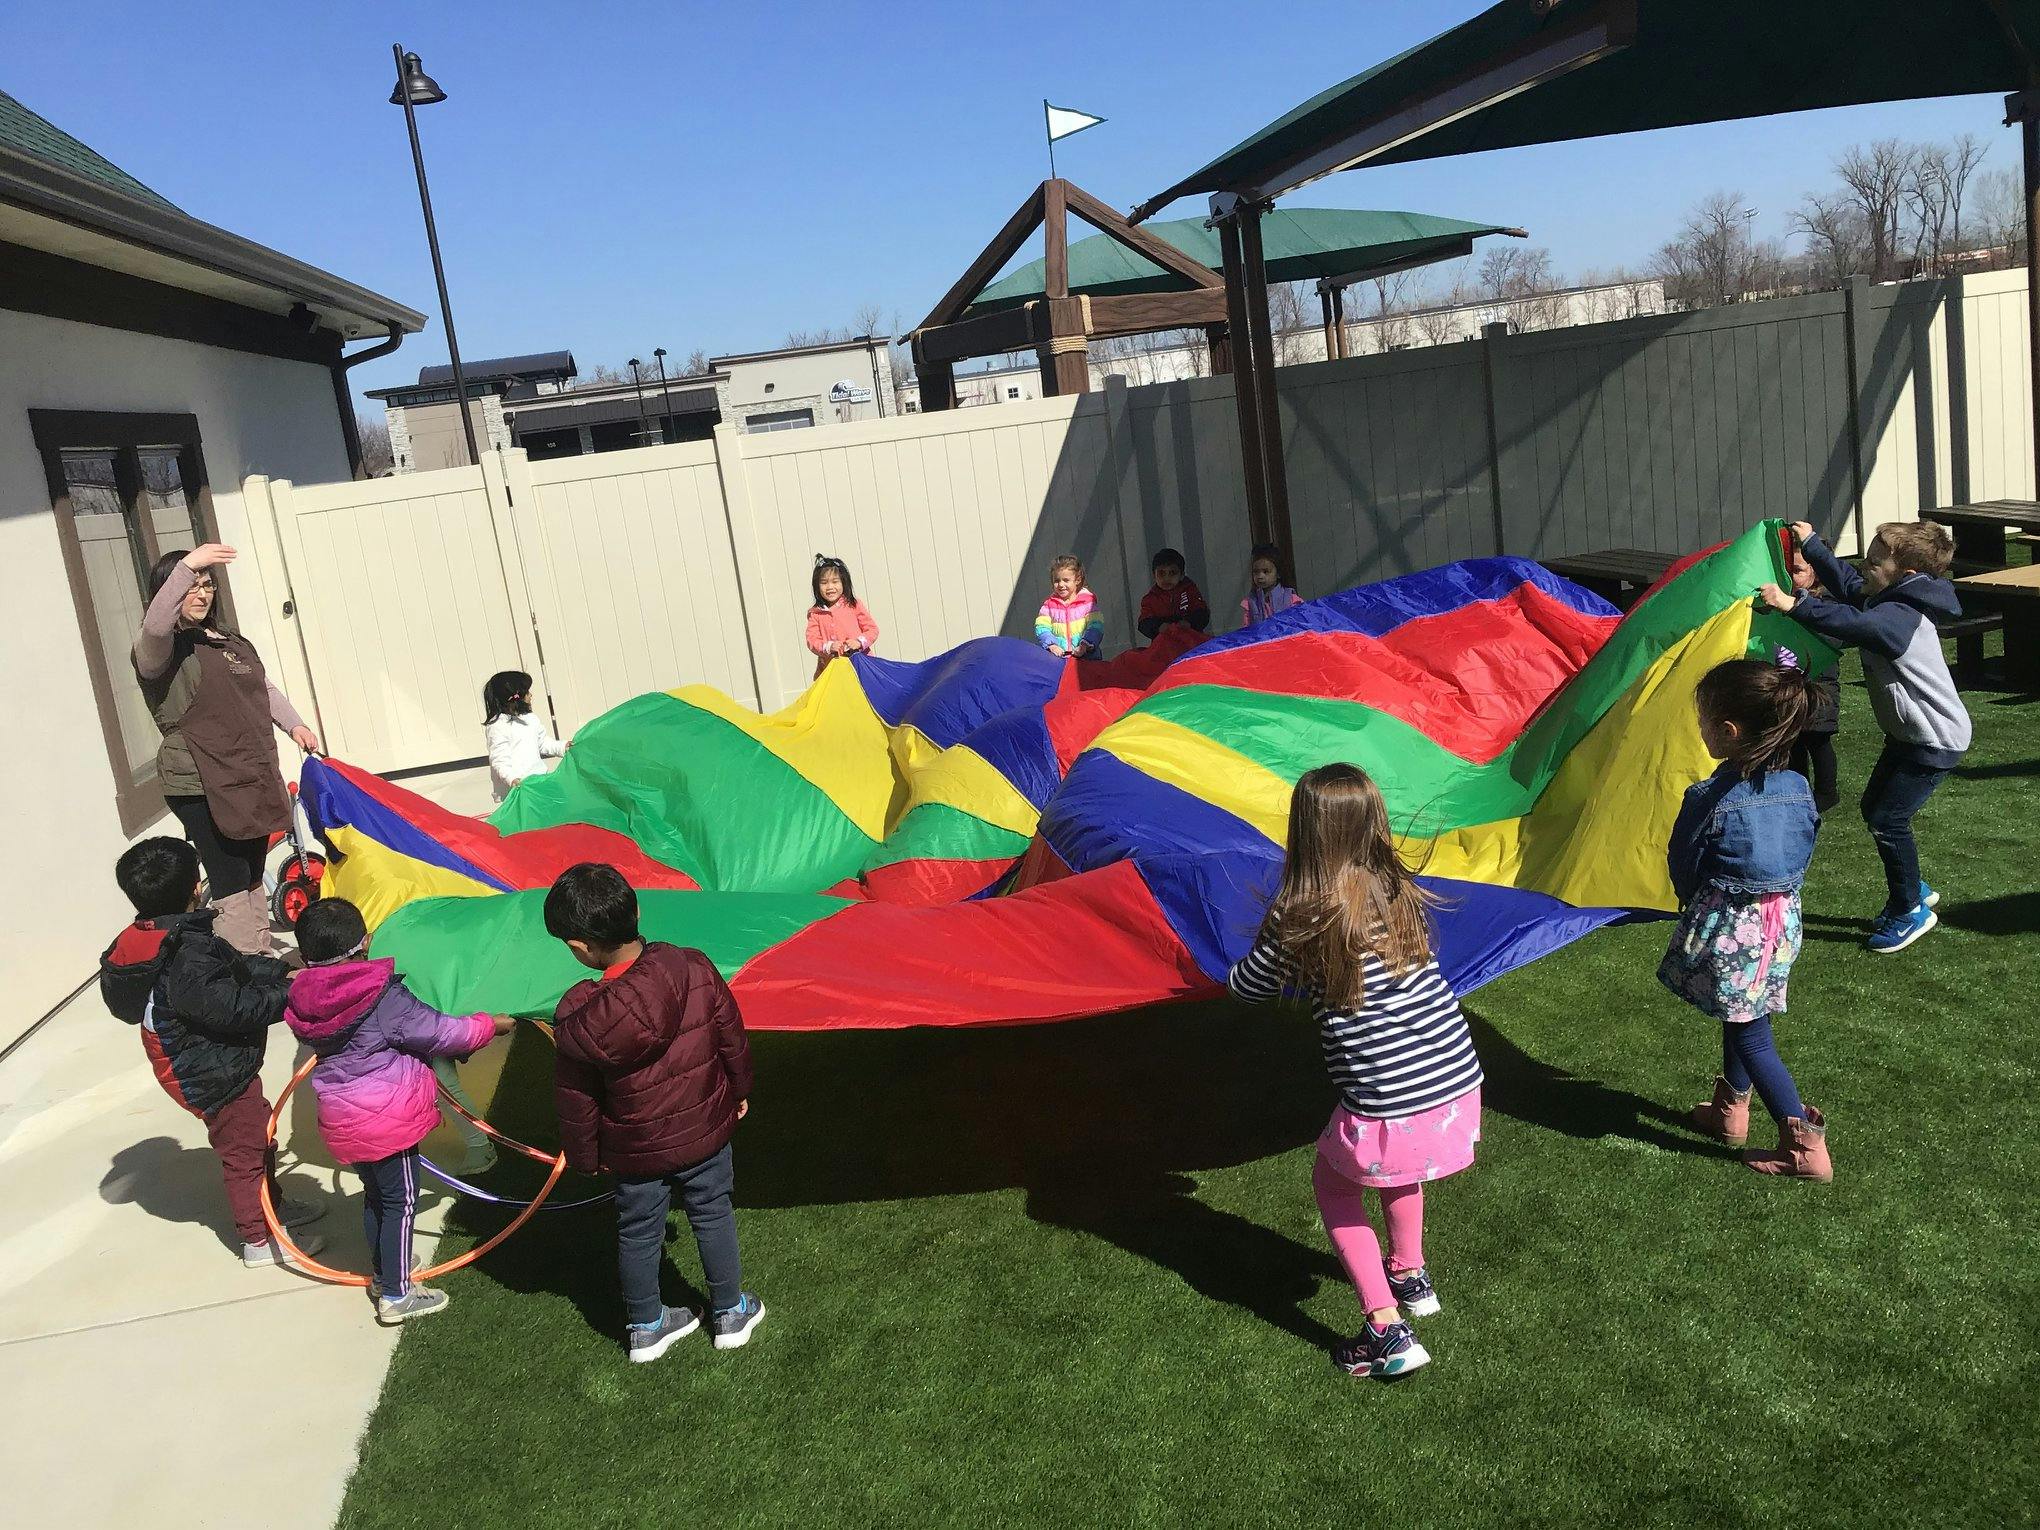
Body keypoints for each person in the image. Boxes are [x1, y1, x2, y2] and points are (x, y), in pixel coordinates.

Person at [1228, 764, 1483, 1381]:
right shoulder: (1395, 890)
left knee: (1336, 1187)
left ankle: (1386, 1328)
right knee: (1404, 1173)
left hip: (1388, 1098)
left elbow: (1249, 986)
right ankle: (1410, 1272)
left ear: (1304, 834)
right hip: (1454, 1076)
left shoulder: (1304, 914)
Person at [546, 863, 764, 1364]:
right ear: (637, 911)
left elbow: (575, 1098)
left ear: (579, 947)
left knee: (637, 1231)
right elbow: (731, 1034)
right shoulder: (693, 966)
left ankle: (646, 1325)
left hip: (634, 1152)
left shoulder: (580, 1021)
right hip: (704, 1131)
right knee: (712, 1212)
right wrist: (740, 1089)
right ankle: (729, 1311)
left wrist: (586, 1155)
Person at [100, 837, 327, 1267]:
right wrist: (292, 994)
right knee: (244, 1150)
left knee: (257, 1134)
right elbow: (234, 1008)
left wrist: (283, 970)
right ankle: (260, 1241)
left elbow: (233, 965)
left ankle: (272, 1208)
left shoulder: (170, 934)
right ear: (193, 889)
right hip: (204, 1069)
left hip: (206, 1058)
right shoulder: (185, 953)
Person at [284, 898, 509, 1324]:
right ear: (364, 943)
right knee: (402, 1201)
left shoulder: (304, 998)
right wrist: (488, 1025)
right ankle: (398, 1295)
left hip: (343, 1118)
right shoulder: (383, 997)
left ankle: (386, 1271)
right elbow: (443, 1032)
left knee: (378, 1196)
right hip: (386, 1120)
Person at [1759, 519, 1970, 953]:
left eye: (1875, 562)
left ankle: (1910, 908)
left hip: (1933, 742)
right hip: (1910, 737)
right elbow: (1851, 584)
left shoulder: (1898, 616)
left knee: (1888, 819)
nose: (1865, 567)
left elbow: (1853, 623)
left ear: (1905, 573)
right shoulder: (1891, 595)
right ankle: (1910, 885)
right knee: (1877, 811)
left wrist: (1792, 604)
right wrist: (1814, 546)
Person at [1661, 658, 1830, 1182]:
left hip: (1734, 929)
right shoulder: (1799, 786)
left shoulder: (1710, 797)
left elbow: (1682, 861)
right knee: (1740, 1014)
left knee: (1753, 1032)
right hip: (1782, 924)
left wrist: (1696, 901)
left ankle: (1803, 1144)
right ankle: (1731, 1111)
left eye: (1704, 722)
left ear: (1728, 731)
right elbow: (1803, 848)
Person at [132, 543, 320, 957]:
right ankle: (246, 967)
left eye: (207, 585)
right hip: (200, 779)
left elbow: (262, 687)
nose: (201, 594)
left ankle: (260, 957)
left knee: (253, 868)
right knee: (230, 875)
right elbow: (156, 628)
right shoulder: (160, 650)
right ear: (169, 592)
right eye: (190, 586)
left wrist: (295, 724)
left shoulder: (229, 640)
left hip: (247, 772)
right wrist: (189, 563)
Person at [1781, 541, 1843, 817]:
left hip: (1818, 687)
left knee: (1818, 740)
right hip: (1791, 688)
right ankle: (1798, 789)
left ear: (1815, 573)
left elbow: (1830, 638)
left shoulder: (1825, 604)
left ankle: (1827, 792)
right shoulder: (1784, 600)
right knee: (1792, 740)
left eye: (1797, 570)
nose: (1791, 576)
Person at [483, 670, 568, 805]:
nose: (531, 695)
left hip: (538, 783)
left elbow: (543, 742)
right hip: (517, 790)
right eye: (527, 692)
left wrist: (563, 747)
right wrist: (511, 779)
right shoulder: (498, 726)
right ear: (517, 697)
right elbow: (499, 760)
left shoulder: (530, 719)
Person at [804, 555, 880, 679]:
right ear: (817, 586)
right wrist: (828, 647)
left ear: (843, 582)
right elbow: (812, 640)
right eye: (824, 583)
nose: (830, 587)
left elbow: (872, 630)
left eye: (835, 581)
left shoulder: (854, 605)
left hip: (860, 669)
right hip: (832, 673)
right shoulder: (815, 613)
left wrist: (858, 642)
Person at [1035, 554, 1103, 659]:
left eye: (1066, 580)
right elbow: (1042, 627)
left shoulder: (1087, 602)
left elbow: (1096, 625)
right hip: (1059, 658)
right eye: (1057, 581)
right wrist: (1052, 645)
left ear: (1077, 580)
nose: (1061, 585)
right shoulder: (1049, 605)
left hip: (1086, 658)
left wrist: (1085, 644)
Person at [1136, 548, 1211, 643]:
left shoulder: (1190, 591)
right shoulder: (1150, 600)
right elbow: (1144, 623)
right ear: (1154, 575)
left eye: (1172, 573)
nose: (1167, 578)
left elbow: (1202, 614)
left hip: (1191, 642)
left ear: (1181, 575)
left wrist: (1189, 623)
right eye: (1161, 573)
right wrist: (1159, 627)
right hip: (1164, 646)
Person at [1241, 542, 1302, 627]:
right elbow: (1247, 630)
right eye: (1256, 572)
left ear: (1278, 574)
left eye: (1265, 572)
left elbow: (1300, 625)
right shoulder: (1250, 602)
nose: (1260, 576)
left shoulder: (1291, 599)